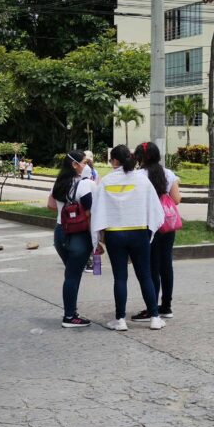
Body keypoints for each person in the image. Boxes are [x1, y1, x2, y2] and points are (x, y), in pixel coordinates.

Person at [90, 145, 166, 332]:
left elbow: (97, 211)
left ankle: (120, 320)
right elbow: (156, 210)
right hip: (139, 232)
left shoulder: (106, 181)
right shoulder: (143, 180)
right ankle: (155, 317)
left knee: (120, 278)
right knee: (145, 276)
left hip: (115, 234)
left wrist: (97, 239)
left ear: (115, 161)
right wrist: (149, 232)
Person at [132, 142, 181, 322]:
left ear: (139, 158)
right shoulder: (168, 174)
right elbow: (176, 199)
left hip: (147, 225)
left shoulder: (138, 175)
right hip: (166, 224)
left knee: (151, 266)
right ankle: (166, 306)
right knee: (165, 264)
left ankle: (151, 308)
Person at [46, 150, 95, 328]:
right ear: (75, 164)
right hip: (78, 235)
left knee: (71, 274)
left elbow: (50, 205)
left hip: (60, 233)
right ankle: (69, 316)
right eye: (84, 162)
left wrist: (65, 211)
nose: (87, 165)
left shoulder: (58, 183)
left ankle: (71, 312)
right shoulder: (85, 185)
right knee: (72, 276)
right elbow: (90, 213)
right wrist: (97, 240)